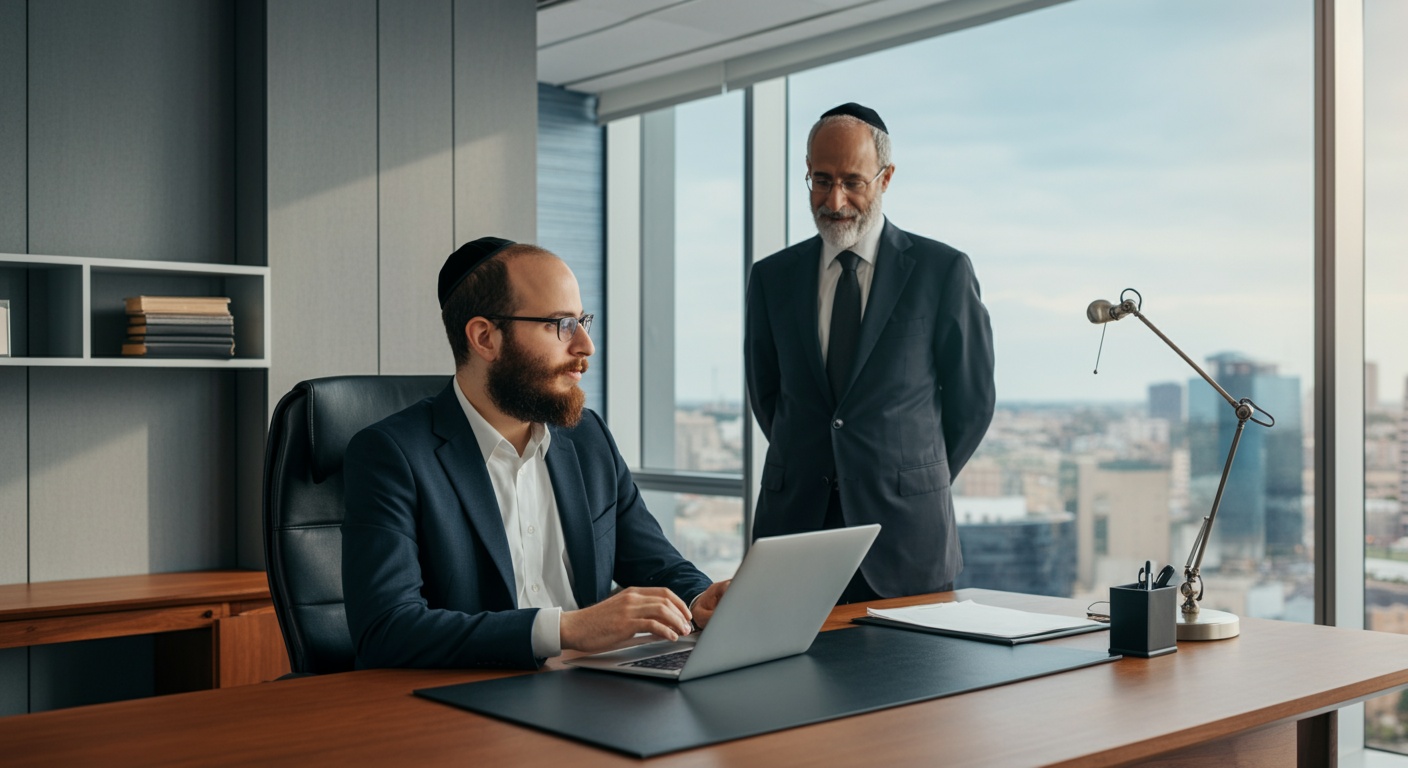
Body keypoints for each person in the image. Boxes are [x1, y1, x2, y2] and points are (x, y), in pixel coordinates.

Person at [343, 237, 730, 669]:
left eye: (583, 320)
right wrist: (566, 629)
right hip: (471, 706)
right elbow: (386, 630)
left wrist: (700, 598)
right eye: (561, 324)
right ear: (485, 338)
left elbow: (658, 564)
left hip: (594, 693)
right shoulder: (391, 455)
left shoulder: (588, 439)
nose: (585, 346)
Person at [745, 103, 995, 601]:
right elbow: (768, 395)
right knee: (788, 680)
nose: (834, 200)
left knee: (916, 680)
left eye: (852, 182)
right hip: (795, 531)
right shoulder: (772, 277)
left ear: (885, 178)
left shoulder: (941, 271)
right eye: (820, 180)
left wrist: (909, 476)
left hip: (906, 536)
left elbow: (973, 404)